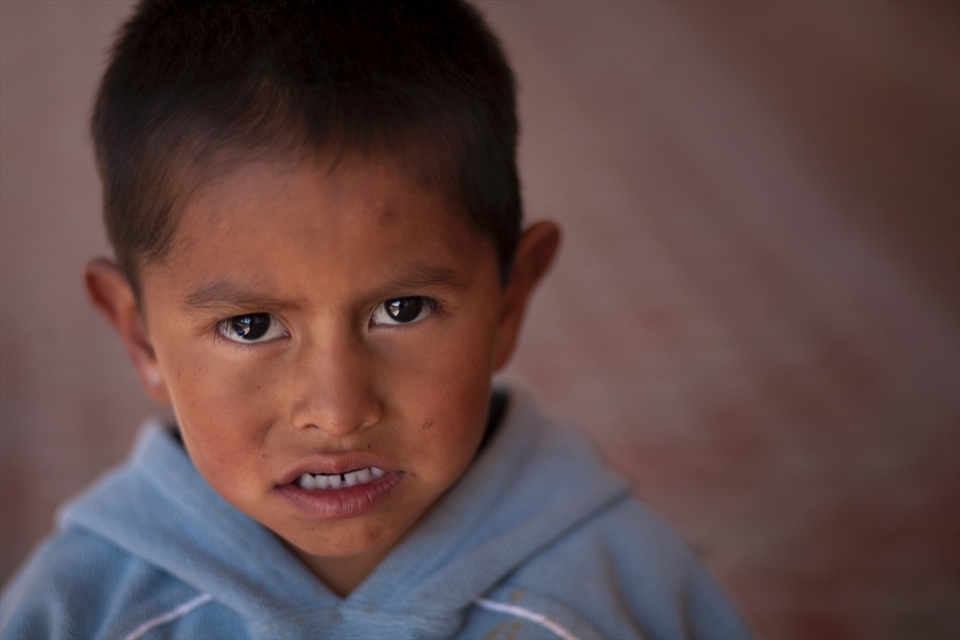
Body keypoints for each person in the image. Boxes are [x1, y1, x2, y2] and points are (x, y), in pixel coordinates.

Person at [0, 1, 752, 638]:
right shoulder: (81, 608)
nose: (337, 410)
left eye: (403, 309)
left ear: (510, 299)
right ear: (141, 337)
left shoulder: (622, 592)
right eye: (252, 326)